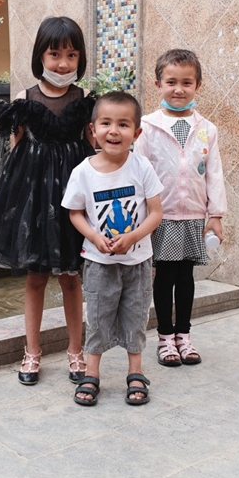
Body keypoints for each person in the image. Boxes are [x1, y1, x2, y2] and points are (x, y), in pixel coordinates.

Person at [0, 16, 96, 386]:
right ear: (40, 56)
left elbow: (93, 150)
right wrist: (16, 207)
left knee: (71, 278)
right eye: (55, 54)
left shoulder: (85, 100)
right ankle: (31, 352)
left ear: (80, 58)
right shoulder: (25, 99)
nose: (63, 63)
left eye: (71, 55)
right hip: (36, 201)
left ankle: (76, 351)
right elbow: (16, 152)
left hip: (73, 200)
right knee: (36, 278)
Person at [62, 91, 163, 406]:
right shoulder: (83, 172)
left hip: (138, 262)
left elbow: (156, 213)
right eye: (106, 123)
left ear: (137, 132)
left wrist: (133, 237)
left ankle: (136, 372)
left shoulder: (141, 167)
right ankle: (92, 373)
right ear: (93, 129)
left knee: (136, 316)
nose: (114, 131)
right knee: (98, 317)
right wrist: (94, 237)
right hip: (98, 263)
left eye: (123, 124)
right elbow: (75, 213)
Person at [134, 49, 227, 367]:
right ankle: (165, 338)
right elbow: (139, 172)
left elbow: (214, 173)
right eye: (171, 82)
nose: (178, 89)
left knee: (186, 277)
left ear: (198, 85)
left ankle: (184, 336)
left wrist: (215, 215)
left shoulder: (207, 129)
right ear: (158, 84)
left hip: (193, 216)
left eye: (186, 82)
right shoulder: (147, 127)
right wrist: (140, 217)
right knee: (163, 277)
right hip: (160, 216)